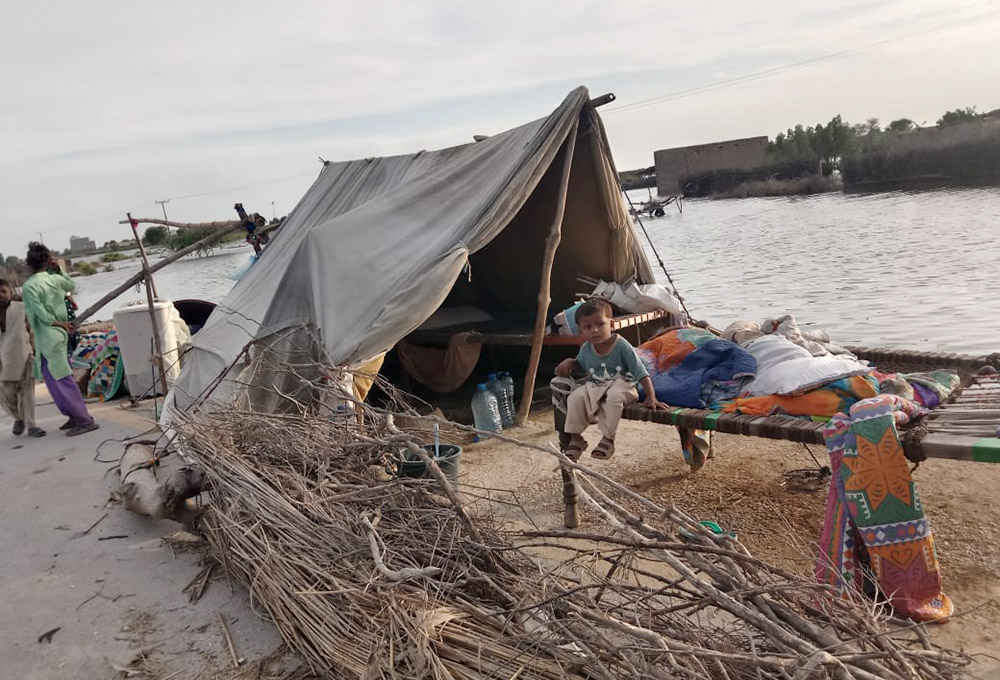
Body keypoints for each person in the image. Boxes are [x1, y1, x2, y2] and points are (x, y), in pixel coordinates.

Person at [554, 298, 665, 460]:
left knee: (613, 396)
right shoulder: (586, 349)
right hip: (597, 387)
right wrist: (570, 362)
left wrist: (651, 396)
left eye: (600, 324)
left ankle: (608, 439)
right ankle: (576, 438)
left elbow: (640, 371)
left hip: (624, 387)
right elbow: (580, 366)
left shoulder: (621, 346)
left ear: (611, 325)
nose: (595, 330)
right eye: (588, 327)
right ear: (581, 332)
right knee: (575, 397)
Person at [21, 243, 99, 436]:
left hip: (48, 333)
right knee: (56, 376)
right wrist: (59, 270)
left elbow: (41, 315)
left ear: (28, 264)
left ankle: (83, 419)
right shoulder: (54, 279)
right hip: (57, 334)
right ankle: (73, 415)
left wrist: (58, 323)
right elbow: (70, 285)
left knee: (60, 378)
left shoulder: (29, 286)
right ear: (48, 261)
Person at [0, 279, 45, 437]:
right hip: (2, 362)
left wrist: (35, 350)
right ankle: (18, 417)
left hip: (24, 355)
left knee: (27, 393)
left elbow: (32, 330)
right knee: (6, 395)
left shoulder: (22, 309)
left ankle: (32, 425)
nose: (1, 296)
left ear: (10, 292)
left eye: (3, 292)